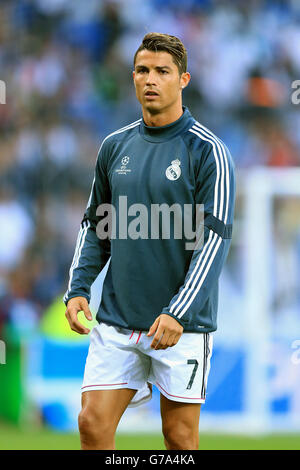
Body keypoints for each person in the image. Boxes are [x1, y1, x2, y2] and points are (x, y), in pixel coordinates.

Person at [64, 32, 235, 450]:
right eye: (143, 70)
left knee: (178, 437)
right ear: (133, 77)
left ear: (184, 80)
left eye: (163, 71)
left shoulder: (208, 151)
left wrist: (177, 311)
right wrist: (78, 287)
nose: (150, 79)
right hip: (118, 320)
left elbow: (214, 242)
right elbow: (95, 225)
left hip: (181, 326)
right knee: (91, 424)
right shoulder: (114, 146)